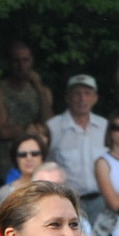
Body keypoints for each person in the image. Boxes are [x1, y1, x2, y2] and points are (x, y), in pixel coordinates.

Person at [0, 42, 54, 176]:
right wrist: (29, 130)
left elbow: (49, 124)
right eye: (16, 61)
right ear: (8, 62)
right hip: (8, 161)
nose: (21, 65)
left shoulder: (42, 90)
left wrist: (39, 88)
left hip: (37, 159)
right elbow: (2, 131)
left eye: (26, 60)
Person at [44, 75, 109, 211]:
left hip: (102, 201)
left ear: (95, 98)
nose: (82, 99)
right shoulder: (53, 127)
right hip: (67, 203)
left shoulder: (105, 126)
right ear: (67, 97)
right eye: (77, 94)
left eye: (87, 94)